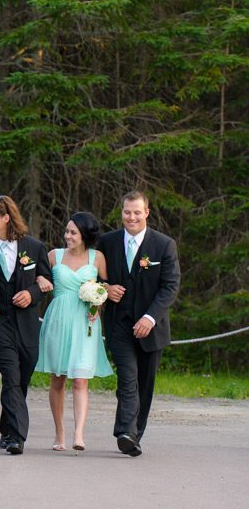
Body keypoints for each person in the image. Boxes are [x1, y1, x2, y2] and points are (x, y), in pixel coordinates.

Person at [97, 191, 180, 457]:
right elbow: (91, 275)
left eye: (136, 212)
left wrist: (150, 317)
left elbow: (170, 287)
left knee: (145, 383)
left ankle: (135, 433)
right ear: (121, 212)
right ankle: (125, 432)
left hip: (151, 327)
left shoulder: (164, 245)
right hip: (118, 323)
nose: (131, 217)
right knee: (127, 378)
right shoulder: (107, 242)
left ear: (146, 212)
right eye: (126, 212)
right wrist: (105, 289)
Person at [0, 195, 52, 455]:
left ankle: (7, 428)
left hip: (27, 323)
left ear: (6, 218)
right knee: (11, 376)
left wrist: (31, 294)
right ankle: (17, 436)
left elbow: (46, 281)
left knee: (22, 378)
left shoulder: (34, 247)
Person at [35, 212, 114, 452]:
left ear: (84, 235)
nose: (68, 236)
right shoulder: (53, 256)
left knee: (80, 379)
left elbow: (107, 286)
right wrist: (40, 278)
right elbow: (36, 275)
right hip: (58, 318)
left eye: (73, 232)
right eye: (67, 231)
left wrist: (98, 302)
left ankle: (79, 433)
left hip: (85, 322)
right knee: (58, 378)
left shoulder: (97, 257)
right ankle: (59, 431)